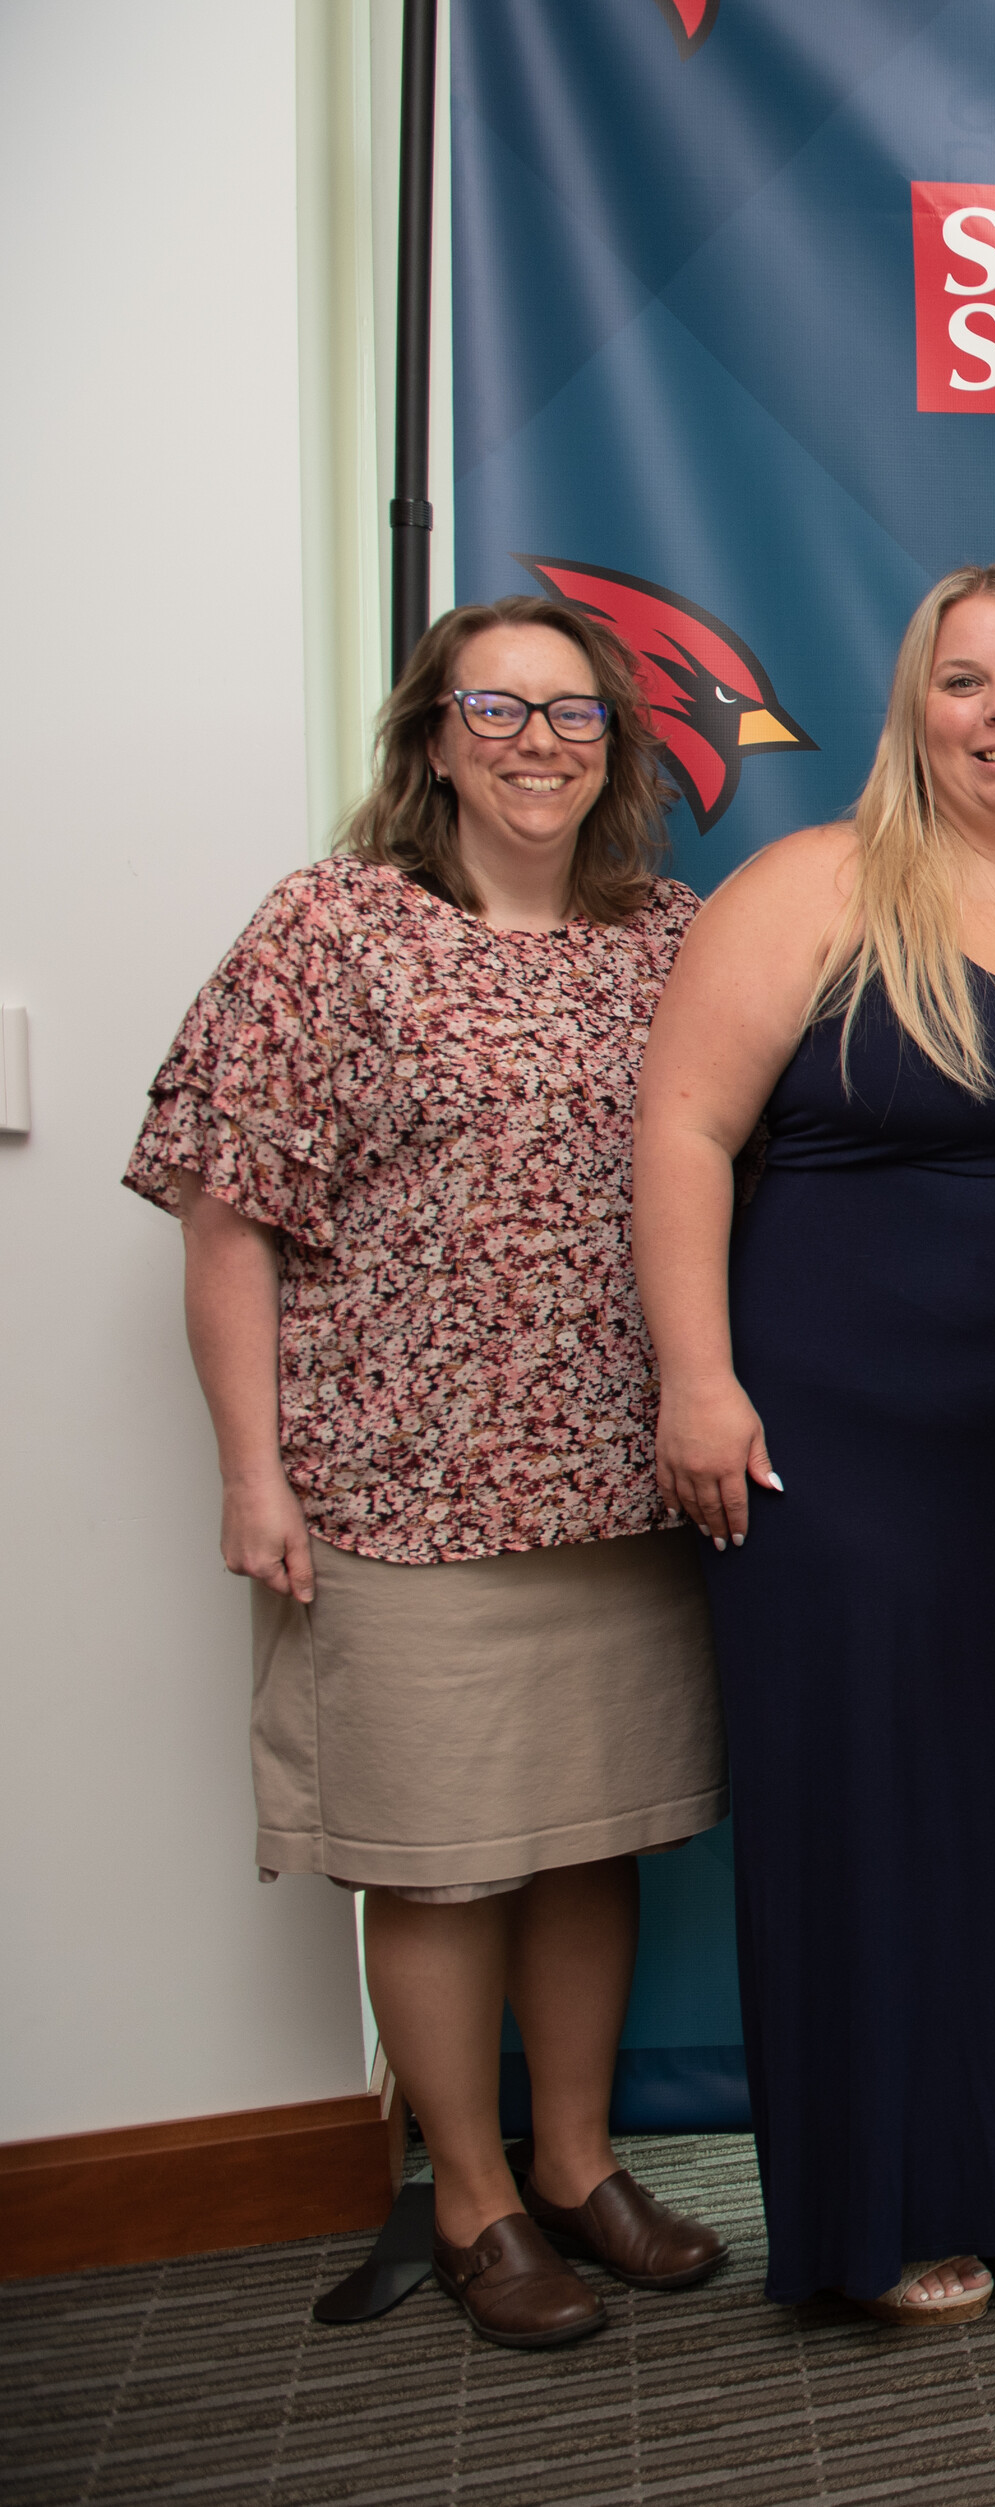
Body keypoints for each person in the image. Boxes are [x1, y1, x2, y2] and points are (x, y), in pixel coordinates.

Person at [128, 598, 728, 2350]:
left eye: (575, 714)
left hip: (622, 1489)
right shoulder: (328, 929)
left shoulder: (664, 940)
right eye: (500, 707)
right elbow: (228, 1218)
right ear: (432, 733)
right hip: (400, 1496)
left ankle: (575, 2164)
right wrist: (255, 1476)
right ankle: (468, 2198)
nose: (540, 742)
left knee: (590, 1841)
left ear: (615, 748)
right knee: (445, 1858)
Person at [633, 563, 995, 2322]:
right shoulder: (814, 884)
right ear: (913, 709)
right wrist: (696, 1380)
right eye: (965, 682)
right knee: (873, 1813)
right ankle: (887, 2203)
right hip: (835, 1447)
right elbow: (686, 1133)